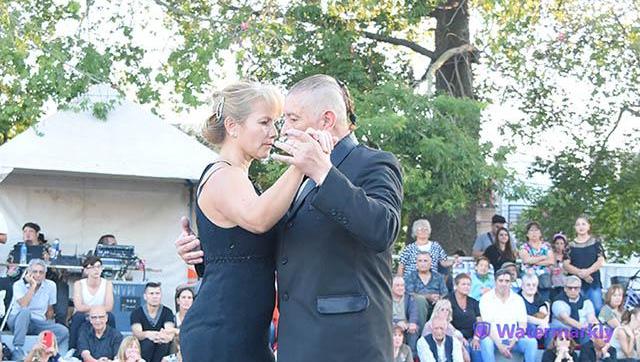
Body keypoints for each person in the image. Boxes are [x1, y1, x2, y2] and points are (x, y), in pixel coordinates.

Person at [176, 74, 403, 361]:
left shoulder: (372, 163)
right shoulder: (290, 175)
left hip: (347, 342)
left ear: (326, 121)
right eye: (269, 122)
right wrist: (206, 251)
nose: (281, 131)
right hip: (286, 340)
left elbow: (383, 229)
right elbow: (264, 240)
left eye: (292, 119)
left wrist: (322, 172)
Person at [175, 81, 315, 362]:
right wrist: (302, 164)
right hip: (221, 334)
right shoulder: (223, 175)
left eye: (274, 123)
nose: (273, 133)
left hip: (245, 336)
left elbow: (236, 250)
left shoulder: (240, 178)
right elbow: (258, 219)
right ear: (232, 126)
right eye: (264, 122)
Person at [7, 259, 69, 360]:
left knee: (63, 331)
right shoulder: (18, 285)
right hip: (18, 320)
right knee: (25, 311)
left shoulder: (51, 285)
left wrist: (48, 327)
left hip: (37, 322)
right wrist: (32, 286)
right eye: (35, 272)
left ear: (45, 274)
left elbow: (50, 309)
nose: (38, 275)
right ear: (29, 272)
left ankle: (41, 350)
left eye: (41, 272)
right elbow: (24, 304)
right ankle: (17, 348)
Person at [479, 268, 538, 362]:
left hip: (514, 339)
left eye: (507, 281)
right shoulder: (486, 299)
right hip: (494, 339)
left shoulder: (518, 299)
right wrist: (500, 345)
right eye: (500, 280)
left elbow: (523, 324)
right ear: (495, 281)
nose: (504, 284)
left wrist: (513, 341)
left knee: (532, 342)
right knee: (486, 341)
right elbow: (487, 326)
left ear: (511, 283)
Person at [69, 256, 115, 352]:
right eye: (92, 267)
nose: (96, 270)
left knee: (110, 317)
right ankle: (72, 349)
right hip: (84, 314)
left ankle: (113, 347)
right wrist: (96, 310)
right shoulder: (79, 284)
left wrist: (96, 312)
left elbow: (109, 307)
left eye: (98, 267)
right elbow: (79, 306)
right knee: (78, 317)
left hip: (101, 313)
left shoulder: (107, 284)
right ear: (86, 270)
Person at [564, 215, 606, 315]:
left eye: (583, 224)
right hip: (575, 284)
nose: (581, 227)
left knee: (598, 308)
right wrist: (581, 273)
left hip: (593, 281)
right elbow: (566, 264)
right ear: (575, 227)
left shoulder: (596, 242)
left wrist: (588, 272)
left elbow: (601, 260)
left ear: (588, 226)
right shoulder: (570, 245)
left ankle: (598, 329)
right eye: (578, 224)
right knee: (578, 310)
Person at [548, 275, 599, 347]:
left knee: (591, 333)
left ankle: (586, 355)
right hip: (564, 328)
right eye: (570, 288)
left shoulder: (586, 302)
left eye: (576, 288)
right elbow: (565, 319)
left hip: (582, 330)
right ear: (565, 288)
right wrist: (583, 327)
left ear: (580, 289)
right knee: (559, 330)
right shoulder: (558, 301)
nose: (573, 290)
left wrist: (595, 327)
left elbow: (591, 318)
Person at [130, 282, 175, 362]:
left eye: (157, 293)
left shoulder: (167, 312)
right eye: (151, 293)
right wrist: (148, 334)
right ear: (145, 296)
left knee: (163, 344)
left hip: (162, 347)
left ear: (161, 295)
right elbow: (137, 333)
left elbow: (170, 331)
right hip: (144, 350)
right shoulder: (137, 313)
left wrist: (161, 337)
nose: (155, 296)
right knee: (148, 343)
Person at [449, 273, 482, 362]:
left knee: (477, 350)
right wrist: (459, 337)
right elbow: (445, 322)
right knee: (464, 350)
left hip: (472, 336)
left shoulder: (473, 302)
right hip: (454, 336)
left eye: (468, 284)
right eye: (463, 284)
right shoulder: (448, 300)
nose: (466, 287)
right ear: (456, 285)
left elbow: (480, 322)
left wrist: (476, 338)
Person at [519, 221, 555, 301]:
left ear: (540, 233)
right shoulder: (523, 247)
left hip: (544, 276)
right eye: (531, 230)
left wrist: (533, 260)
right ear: (527, 234)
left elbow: (551, 261)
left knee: (545, 281)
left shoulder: (546, 246)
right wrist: (543, 257)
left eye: (536, 230)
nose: (534, 233)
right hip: (528, 273)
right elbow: (526, 260)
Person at [391, 276, 419, 354]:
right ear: (391, 287)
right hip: (391, 324)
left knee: (413, 330)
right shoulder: (386, 298)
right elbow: (383, 315)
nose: (401, 288)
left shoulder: (409, 298)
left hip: (406, 324)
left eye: (402, 285)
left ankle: (411, 356)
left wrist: (412, 322)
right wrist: (396, 323)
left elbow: (414, 312)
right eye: (397, 285)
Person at [550, 233, 569, 300]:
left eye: (561, 243)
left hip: (565, 284)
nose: (559, 246)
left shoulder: (567, 256)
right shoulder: (551, 255)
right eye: (557, 243)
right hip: (554, 285)